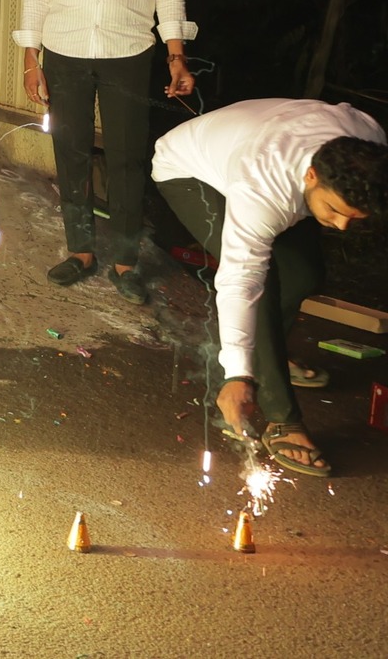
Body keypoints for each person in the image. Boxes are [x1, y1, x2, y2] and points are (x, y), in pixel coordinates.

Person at [14, 0, 196, 305]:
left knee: (127, 158)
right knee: (70, 153)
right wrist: (31, 58)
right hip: (64, 50)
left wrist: (176, 55)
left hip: (128, 51)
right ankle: (81, 252)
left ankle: (125, 262)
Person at [151, 99, 387, 476]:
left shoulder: (371, 147)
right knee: (265, 282)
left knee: (305, 275)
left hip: (258, 149)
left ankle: (269, 356)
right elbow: (241, 280)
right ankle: (282, 418)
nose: (342, 226)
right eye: (334, 210)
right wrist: (238, 374)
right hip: (189, 169)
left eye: (353, 217)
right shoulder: (262, 186)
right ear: (312, 176)